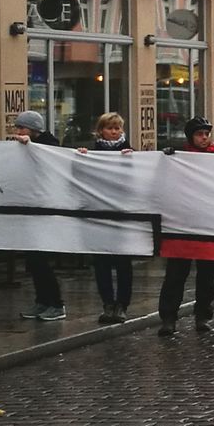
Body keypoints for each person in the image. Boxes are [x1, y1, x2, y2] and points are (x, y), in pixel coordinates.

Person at [158, 118, 214, 335]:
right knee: (175, 275)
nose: (204, 138)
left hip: (208, 224)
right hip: (182, 224)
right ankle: (168, 318)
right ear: (190, 137)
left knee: (207, 276)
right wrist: (166, 158)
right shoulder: (179, 156)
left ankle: (202, 315)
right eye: (199, 134)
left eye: (206, 134)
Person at [4, 111, 69, 321]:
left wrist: (31, 146)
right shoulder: (24, 147)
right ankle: (42, 301)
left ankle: (56, 303)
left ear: (33, 130)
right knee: (33, 260)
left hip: (45, 210)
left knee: (41, 259)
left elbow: (50, 161)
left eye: (22, 128)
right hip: (31, 208)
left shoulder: (49, 145)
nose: (18, 131)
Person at [81, 112, 136, 324]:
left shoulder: (129, 152)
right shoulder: (92, 151)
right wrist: (81, 158)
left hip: (122, 213)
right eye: (110, 128)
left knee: (123, 262)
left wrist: (132, 160)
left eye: (117, 128)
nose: (114, 132)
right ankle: (107, 303)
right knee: (101, 262)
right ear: (101, 130)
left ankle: (122, 304)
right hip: (99, 212)